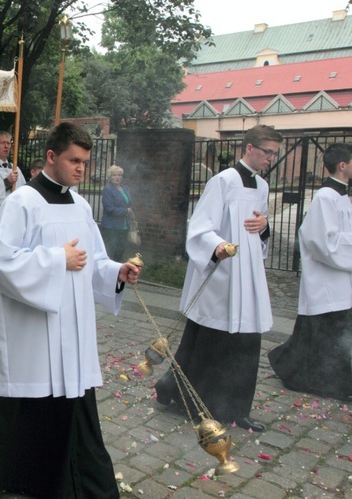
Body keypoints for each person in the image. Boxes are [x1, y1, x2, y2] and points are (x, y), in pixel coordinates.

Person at [0, 123, 140, 499]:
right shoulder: (22, 202)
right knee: (29, 418)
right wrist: (55, 259)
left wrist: (116, 272)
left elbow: (92, 260)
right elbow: (1, 263)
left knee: (73, 410)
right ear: (51, 157)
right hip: (31, 335)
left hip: (71, 336)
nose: (81, 169)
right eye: (74, 160)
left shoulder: (80, 204)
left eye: (86, 162)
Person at [154, 124, 281, 432]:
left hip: (248, 275)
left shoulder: (262, 187)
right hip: (222, 277)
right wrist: (218, 246)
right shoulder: (222, 181)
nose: (270, 159)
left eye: (274, 154)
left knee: (247, 343)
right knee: (212, 343)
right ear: (249, 148)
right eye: (267, 152)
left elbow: (258, 233)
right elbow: (199, 228)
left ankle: (239, 408)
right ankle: (198, 403)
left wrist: (264, 226)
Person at [269, 143, 352, 400]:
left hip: (341, 278)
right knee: (325, 336)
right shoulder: (325, 196)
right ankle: (319, 380)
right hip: (328, 280)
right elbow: (319, 241)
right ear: (343, 165)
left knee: (335, 336)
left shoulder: (343, 196)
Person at [100, 165, 133, 262]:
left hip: (124, 227)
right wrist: (126, 211)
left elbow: (128, 203)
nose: (117, 177)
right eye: (114, 175)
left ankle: (118, 275)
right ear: (110, 177)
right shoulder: (108, 190)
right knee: (110, 253)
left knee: (120, 253)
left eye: (119, 175)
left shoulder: (125, 188)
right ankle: (108, 275)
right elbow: (109, 209)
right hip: (111, 227)